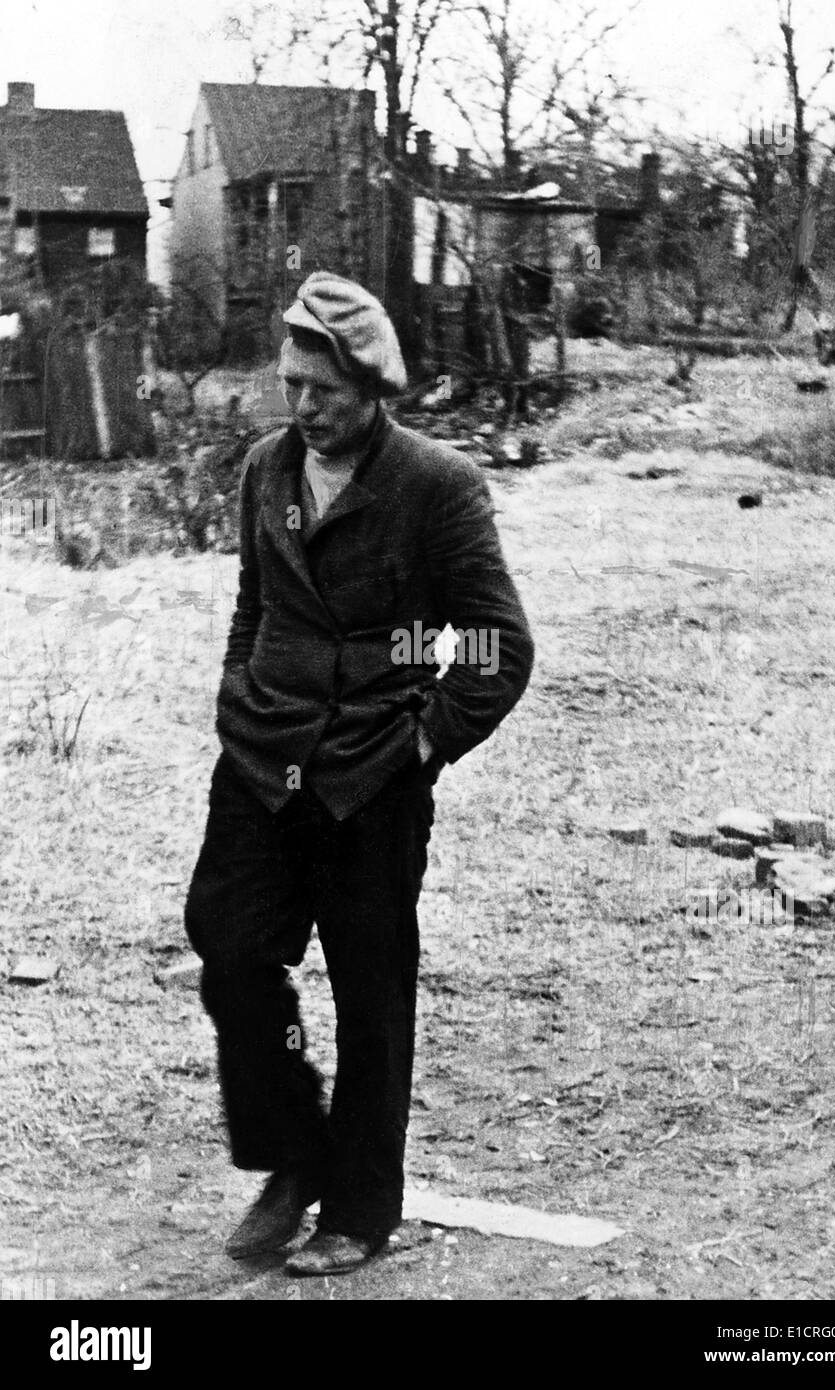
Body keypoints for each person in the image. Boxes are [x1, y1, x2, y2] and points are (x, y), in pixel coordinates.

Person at [184, 271, 534, 1277]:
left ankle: (360, 1207)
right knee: (231, 947)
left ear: (374, 387)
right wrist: (239, 691)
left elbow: (493, 645)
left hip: (370, 778)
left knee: (371, 990)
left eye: (323, 391)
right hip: (260, 758)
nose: (302, 408)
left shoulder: (436, 483)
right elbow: (253, 603)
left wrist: (419, 742)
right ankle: (294, 1152)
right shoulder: (264, 468)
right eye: (292, 385)